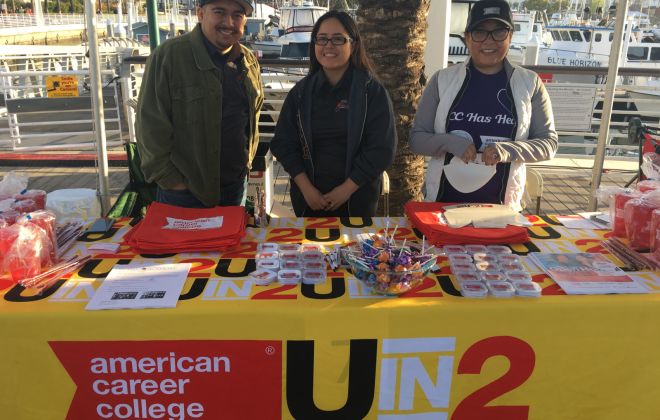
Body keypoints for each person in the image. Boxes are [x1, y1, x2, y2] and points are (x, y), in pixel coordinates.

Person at [410, 0, 558, 211]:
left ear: (510, 36)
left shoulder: (530, 83)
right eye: (479, 32)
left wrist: (507, 150)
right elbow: (417, 140)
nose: (489, 41)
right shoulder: (442, 81)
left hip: (502, 211)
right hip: (442, 205)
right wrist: (451, 143)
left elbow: (548, 144)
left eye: (499, 32)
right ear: (467, 38)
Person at [135, 0, 264, 208]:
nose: (229, 22)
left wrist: (246, 165)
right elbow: (149, 125)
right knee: (183, 242)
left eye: (237, 15)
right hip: (185, 194)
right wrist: (172, 182)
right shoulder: (168, 56)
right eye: (219, 12)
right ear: (201, 14)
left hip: (235, 187)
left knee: (231, 242)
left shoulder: (248, 61)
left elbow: (253, 116)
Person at [270, 11, 397, 217]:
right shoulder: (300, 93)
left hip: (356, 201)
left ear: (353, 45)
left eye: (338, 39)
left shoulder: (371, 92)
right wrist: (307, 189)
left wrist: (345, 190)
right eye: (322, 39)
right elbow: (283, 143)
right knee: (309, 250)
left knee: (353, 249)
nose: (329, 45)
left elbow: (382, 149)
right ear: (314, 44)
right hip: (309, 202)